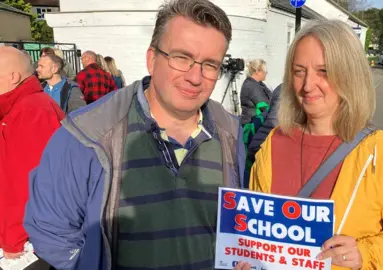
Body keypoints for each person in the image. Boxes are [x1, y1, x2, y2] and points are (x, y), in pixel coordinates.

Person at [23, 0, 250, 269]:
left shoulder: (230, 132)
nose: (195, 76)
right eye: (182, 58)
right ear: (152, 59)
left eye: (210, 64)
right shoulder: (87, 133)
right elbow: (51, 232)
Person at [249, 20, 383, 270]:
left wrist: (364, 254)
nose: (307, 85)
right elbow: (256, 232)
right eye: (299, 71)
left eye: (324, 71)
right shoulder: (274, 141)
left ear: (349, 75)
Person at [0, 47, 64, 268]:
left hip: (31, 245)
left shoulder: (30, 112)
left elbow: (24, 183)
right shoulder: (17, 108)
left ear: (13, 77)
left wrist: (12, 241)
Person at [240, 59, 272, 125]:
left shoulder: (257, 84)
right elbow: (264, 106)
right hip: (252, 125)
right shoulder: (251, 86)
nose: (266, 73)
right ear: (257, 72)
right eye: (265, 71)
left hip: (255, 121)